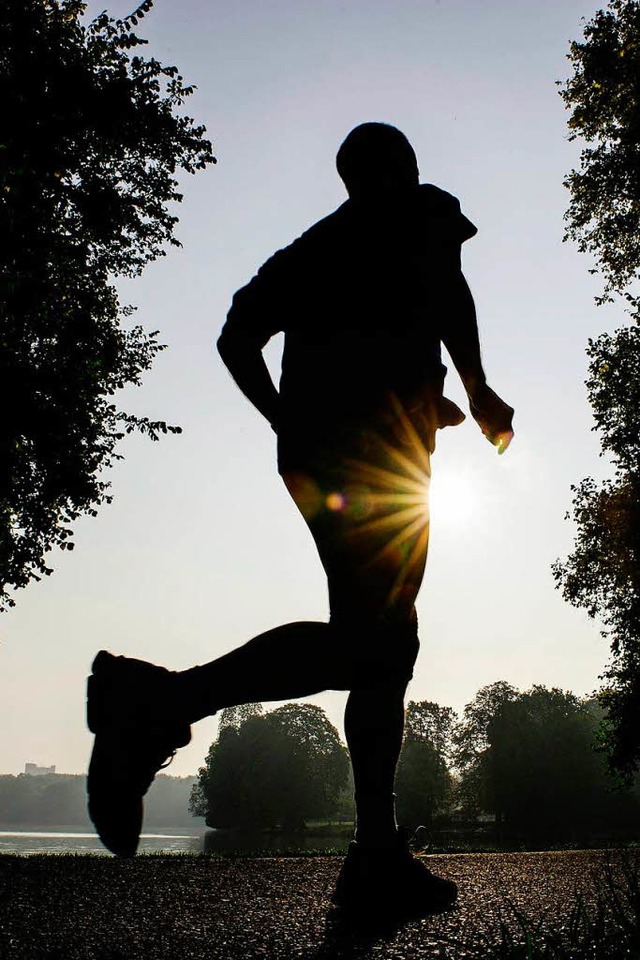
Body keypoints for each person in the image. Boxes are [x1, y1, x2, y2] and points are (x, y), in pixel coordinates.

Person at [86, 122, 514, 918]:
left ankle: (375, 852)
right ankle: (159, 702)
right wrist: (477, 386)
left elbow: (238, 335)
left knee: (382, 645)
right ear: (397, 169)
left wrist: (294, 417)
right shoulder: (424, 210)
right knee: (379, 642)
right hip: (373, 460)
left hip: (333, 457)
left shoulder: (310, 250)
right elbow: (449, 291)